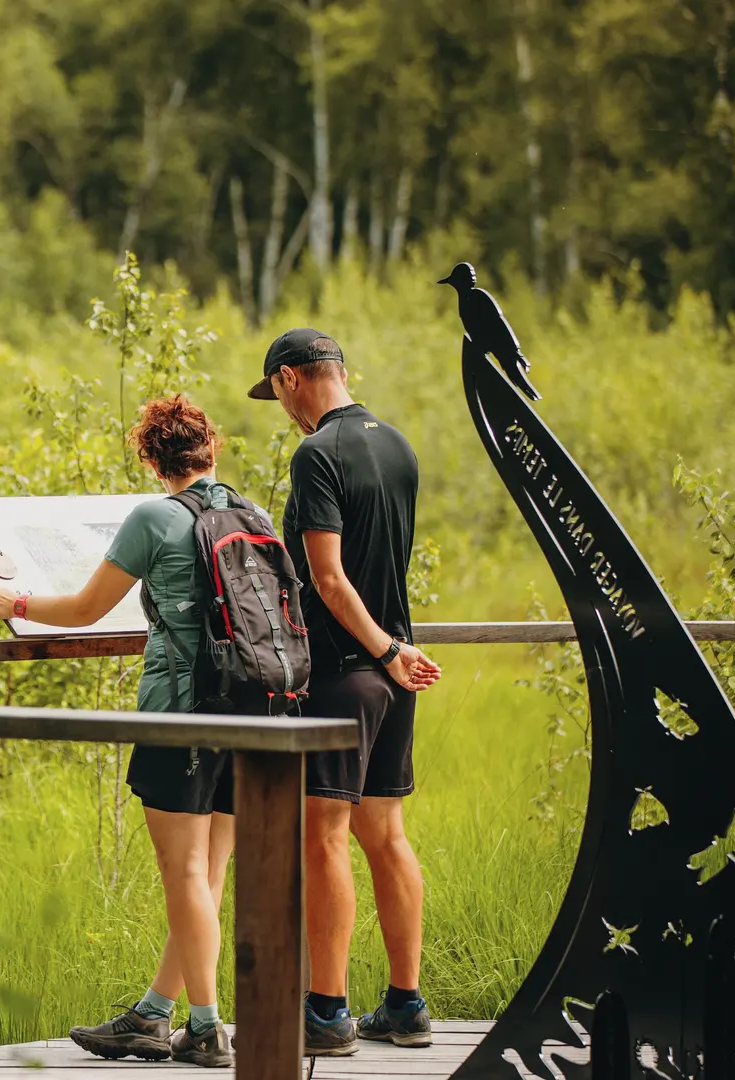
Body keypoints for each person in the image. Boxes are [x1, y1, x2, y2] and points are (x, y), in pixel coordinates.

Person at [0, 394, 238, 1069]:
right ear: (212, 449)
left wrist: (18, 603)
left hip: (178, 712)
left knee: (182, 871)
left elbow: (89, 608)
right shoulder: (245, 510)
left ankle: (206, 1027)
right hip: (250, 716)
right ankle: (155, 1014)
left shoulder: (154, 515)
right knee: (206, 876)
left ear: (152, 458)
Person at [246, 327, 443, 1054]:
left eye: (277, 394)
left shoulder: (317, 454)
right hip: (396, 667)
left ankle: (326, 1013)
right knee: (385, 835)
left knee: (324, 837)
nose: (282, 409)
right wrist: (396, 649)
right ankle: (405, 1004)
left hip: (349, 670)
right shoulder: (397, 445)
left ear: (294, 379)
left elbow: (329, 578)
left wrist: (382, 651)